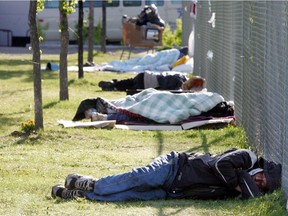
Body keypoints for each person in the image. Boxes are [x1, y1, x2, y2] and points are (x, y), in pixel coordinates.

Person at [51, 148, 281, 201]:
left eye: (263, 185)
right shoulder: (247, 157)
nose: (258, 182)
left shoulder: (244, 185)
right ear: (263, 169)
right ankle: (89, 184)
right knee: (136, 178)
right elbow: (221, 165)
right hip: (173, 166)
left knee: (129, 195)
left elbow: (251, 196)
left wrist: (242, 187)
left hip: (173, 192)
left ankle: (78, 195)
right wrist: (240, 184)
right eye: (262, 177)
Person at [98, 73, 205, 91]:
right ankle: (114, 87)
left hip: (145, 75)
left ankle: (114, 83)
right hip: (147, 84)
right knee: (131, 88)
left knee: (130, 82)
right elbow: (181, 88)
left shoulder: (179, 76)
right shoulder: (180, 82)